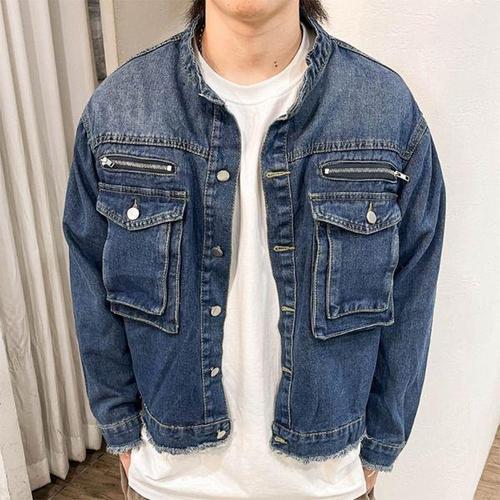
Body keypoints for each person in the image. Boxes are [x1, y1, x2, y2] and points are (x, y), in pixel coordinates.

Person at [62, 1, 446, 499]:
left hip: (323, 481)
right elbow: (90, 281)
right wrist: (120, 425)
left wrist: (380, 444)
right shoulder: (120, 108)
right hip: (167, 478)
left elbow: (413, 293)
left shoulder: (385, 112)